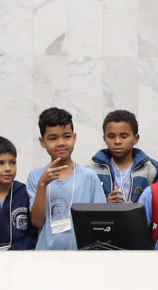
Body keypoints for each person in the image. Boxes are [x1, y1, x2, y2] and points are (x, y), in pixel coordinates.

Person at [29, 106, 108, 251]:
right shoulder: (36, 176)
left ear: (74, 137)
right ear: (42, 141)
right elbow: (37, 222)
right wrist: (42, 184)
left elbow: (100, 221)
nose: (61, 143)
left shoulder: (88, 177)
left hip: (82, 256)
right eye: (53, 138)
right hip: (45, 256)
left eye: (67, 136)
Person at [92, 109, 158, 205]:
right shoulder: (92, 169)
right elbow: (84, 205)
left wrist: (136, 209)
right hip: (104, 220)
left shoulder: (152, 170)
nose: (117, 141)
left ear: (136, 138)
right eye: (111, 136)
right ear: (104, 138)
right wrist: (105, 205)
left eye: (124, 136)